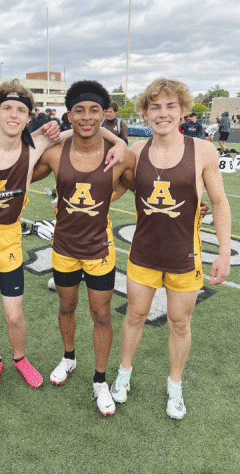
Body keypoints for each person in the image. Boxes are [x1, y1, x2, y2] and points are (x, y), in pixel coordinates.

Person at [0, 79, 125, 394]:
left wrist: (119, 141)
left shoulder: (34, 147)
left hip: (8, 238)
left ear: (28, 115)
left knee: (13, 311)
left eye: (20, 109)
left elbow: (81, 127)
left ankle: (20, 358)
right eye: (6, 107)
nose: (12, 114)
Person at [110, 78, 231, 420]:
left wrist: (223, 252)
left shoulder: (203, 150)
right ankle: (124, 374)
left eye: (170, 106)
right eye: (155, 107)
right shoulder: (135, 152)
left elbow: (219, 203)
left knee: (180, 322)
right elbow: (112, 191)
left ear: (182, 110)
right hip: (143, 253)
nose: (162, 113)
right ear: (145, 112)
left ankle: (174, 385)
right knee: (134, 316)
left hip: (184, 255)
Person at [32, 80, 134, 416]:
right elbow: (18, 172)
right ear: (69, 114)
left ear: (105, 114)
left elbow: (147, 190)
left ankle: (100, 380)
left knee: (102, 314)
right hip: (63, 248)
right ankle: (69, 358)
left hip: (100, 252)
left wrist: (197, 208)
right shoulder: (54, 153)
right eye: (79, 110)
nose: (86, 117)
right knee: (66, 307)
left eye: (94, 110)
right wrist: (43, 136)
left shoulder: (119, 156)